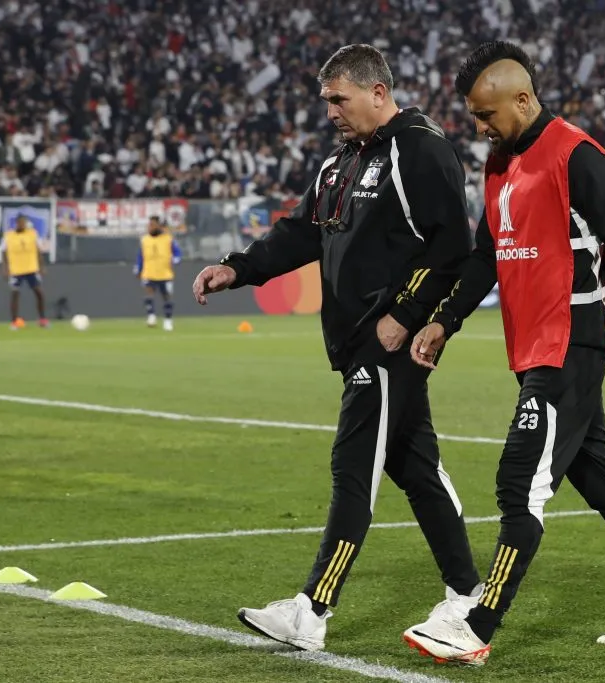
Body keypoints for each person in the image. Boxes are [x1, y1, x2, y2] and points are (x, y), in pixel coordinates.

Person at [402, 41, 605, 666]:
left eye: (486, 114)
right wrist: (445, 321)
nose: (478, 127)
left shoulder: (574, 154)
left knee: (519, 483)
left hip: (572, 343)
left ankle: (477, 628)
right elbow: (487, 257)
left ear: (523, 98)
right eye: (474, 117)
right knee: (601, 480)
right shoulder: (500, 165)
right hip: (535, 345)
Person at [193, 44, 482, 651]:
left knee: (354, 471)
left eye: (338, 99)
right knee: (417, 469)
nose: (330, 111)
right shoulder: (340, 164)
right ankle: (467, 594)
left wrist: (403, 315)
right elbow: (301, 232)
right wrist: (238, 269)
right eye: (326, 100)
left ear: (378, 92)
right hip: (355, 342)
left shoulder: (421, 149)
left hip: (385, 344)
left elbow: (453, 244)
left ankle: (311, 611)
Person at [135, 216, 182, 330]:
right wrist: (138, 268)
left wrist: (176, 259)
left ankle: (168, 321)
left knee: (167, 297)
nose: (150, 227)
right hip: (149, 272)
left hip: (165, 273)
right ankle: (151, 316)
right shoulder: (144, 240)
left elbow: (177, 253)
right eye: (149, 224)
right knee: (149, 294)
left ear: (158, 226)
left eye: (152, 224)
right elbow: (141, 256)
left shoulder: (168, 239)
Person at [2, 215, 49, 329]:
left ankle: (42, 319)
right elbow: (4, 252)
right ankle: (14, 322)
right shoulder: (8, 236)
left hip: (31, 268)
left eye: (24, 222)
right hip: (16, 270)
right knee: (15, 294)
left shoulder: (32, 234)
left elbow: (38, 251)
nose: (22, 224)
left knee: (39, 293)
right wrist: (5, 268)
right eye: (20, 222)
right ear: (17, 223)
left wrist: (41, 266)